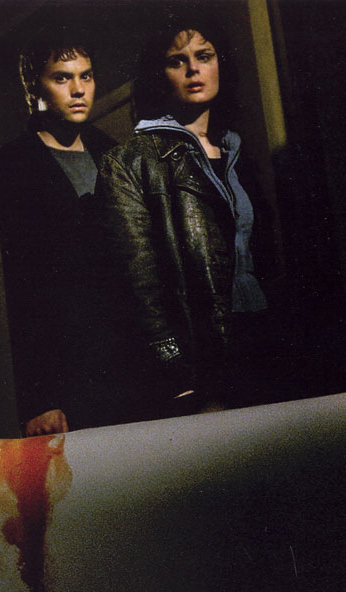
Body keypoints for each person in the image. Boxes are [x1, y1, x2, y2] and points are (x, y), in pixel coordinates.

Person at [94, 19, 277, 413]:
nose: (193, 69)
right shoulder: (130, 162)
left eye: (204, 56)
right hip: (202, 359)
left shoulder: (236, 151)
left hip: (263, 340)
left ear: (220, 63)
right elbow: (139, 284)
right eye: (177, 61)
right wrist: (178, 376)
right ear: (158, 75)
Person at [0, 33, 132, 435]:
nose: (78, 89)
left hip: (127, 357)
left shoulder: (113, 153)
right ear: (34, 87)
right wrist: (39, 396)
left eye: (86, 76)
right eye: (62, 78)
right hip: (67, 370)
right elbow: (17, 288)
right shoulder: (11, 165)